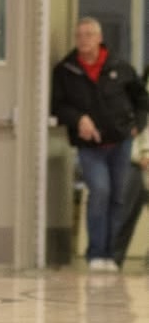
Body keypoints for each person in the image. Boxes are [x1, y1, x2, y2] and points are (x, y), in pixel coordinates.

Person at [51, 17, 148, 271]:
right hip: (90, 146)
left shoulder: (120, 67)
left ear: (99, 38)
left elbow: (141, 99)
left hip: (121, 142)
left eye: (88, 35)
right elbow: (58, 105)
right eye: (79, 35)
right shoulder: (66, 70)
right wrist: (78, 119)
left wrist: (137, 124)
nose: (83, 40)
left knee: (118, 198)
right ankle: (96, 253)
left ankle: (112, 256)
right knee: (100, 192)